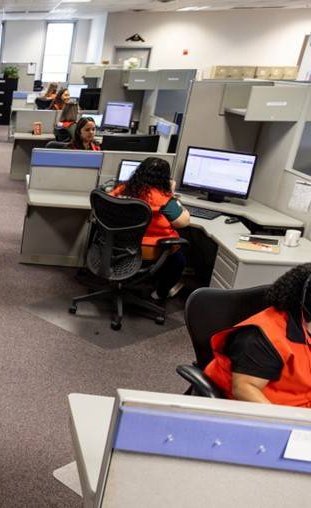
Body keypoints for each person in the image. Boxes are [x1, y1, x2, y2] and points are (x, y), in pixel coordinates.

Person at [203, 264, 311, 407]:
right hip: (272, 411)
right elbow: (244, 389)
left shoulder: (305, 325)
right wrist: (283, 422)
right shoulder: (264, 337)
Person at [110, 157, 190, 300]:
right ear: (165, 178)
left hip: (116, 244)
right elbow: (183, 222)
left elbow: (106, 203)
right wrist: (171, 194)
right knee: (179, 261)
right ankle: (160, 293)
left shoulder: (123, 189)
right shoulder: (163, 198)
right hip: (148, 249)